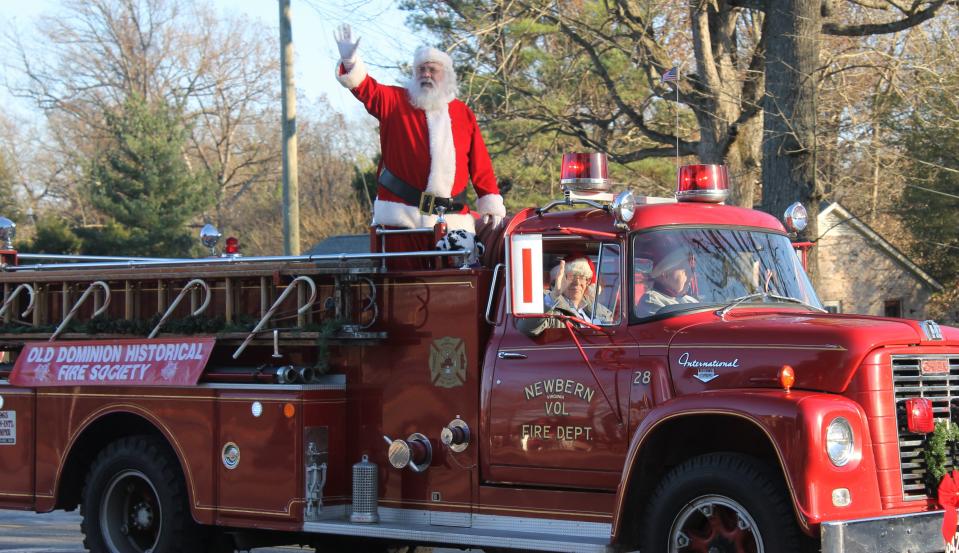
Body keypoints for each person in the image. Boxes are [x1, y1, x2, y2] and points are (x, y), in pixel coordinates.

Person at [333, 25, 506, 261]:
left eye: (432, 70)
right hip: (401, 223)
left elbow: (480, 163)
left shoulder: (462, 113)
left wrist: (490, 199)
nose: (426, 74)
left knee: (458, 291)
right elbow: (366, 89)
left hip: (453, 224)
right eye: (421, 70)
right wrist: (351, 62)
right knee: (403, 289)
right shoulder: (394, 101)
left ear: (446, 75)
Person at [519, 258, 613, 337]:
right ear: (560, 280)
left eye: (581, 277)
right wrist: (554, 295)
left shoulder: (599, 310)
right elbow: (526, 327)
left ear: (587, 282)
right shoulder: (548, 305)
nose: (576, 282)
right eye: (571, 277)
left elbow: (614, 333)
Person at [636, 249, 699, 317]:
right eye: (686, 271)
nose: (691, 276)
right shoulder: (651, 301)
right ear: (665, 273)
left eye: (691, 271)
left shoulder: (690, 300)